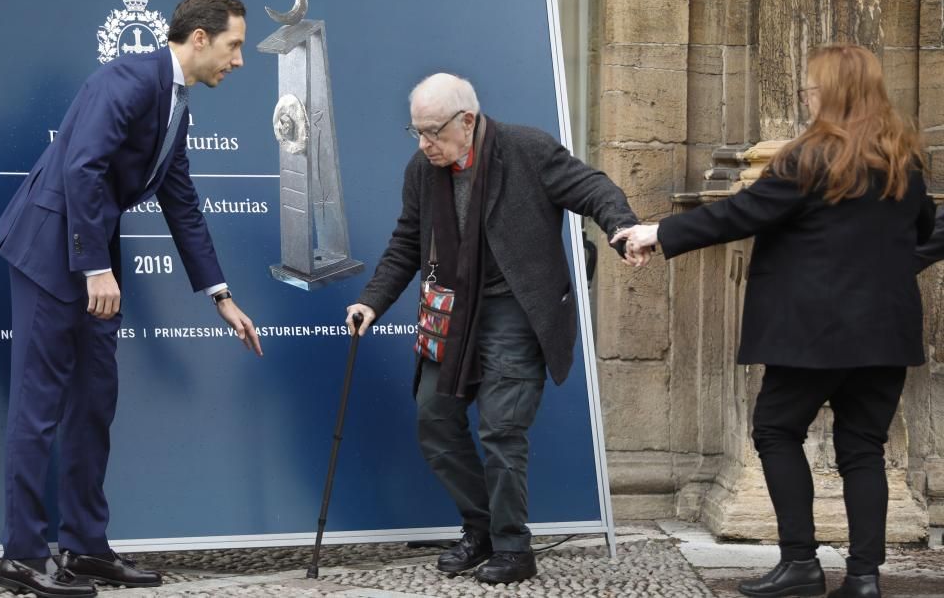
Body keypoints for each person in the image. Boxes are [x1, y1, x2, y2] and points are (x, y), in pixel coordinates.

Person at [613, 44, 934, 598]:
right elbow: (929, 226)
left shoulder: (810, 158)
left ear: (833, 95)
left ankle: (801, 566)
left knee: (775, 430)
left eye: (811, 88)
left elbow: (740, 212)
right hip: (885, 330)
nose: (806, 97)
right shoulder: (902, 159)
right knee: (863, 448)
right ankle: (863, 579)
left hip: (813, 333)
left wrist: (656, 233)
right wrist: (894, 266)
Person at [0, 0, 263, 598]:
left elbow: (182, 201)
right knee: (38, 408)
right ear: (199, 38)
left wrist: (221, 296)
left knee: (94, 401)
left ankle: (84, 548)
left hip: (87, 257)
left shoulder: (176, 103)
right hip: (48, 251)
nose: (239, 60)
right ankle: (22, 558)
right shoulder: (129, 79)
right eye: (234, 45)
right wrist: (93, 268)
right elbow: (81, 167)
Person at [344, 73, 639, 584]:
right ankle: (481, 528)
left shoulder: (526, 149)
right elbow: (406, 243)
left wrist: (621, 226)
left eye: (432, 131)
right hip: (452, 314)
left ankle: (513, 548)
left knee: (502, 430)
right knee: (434, 420)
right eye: (415, 131)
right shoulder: (422, 169)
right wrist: (372, 303)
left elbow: (592, 187)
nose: (423, 143)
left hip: (515, 309)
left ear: (468, 121)